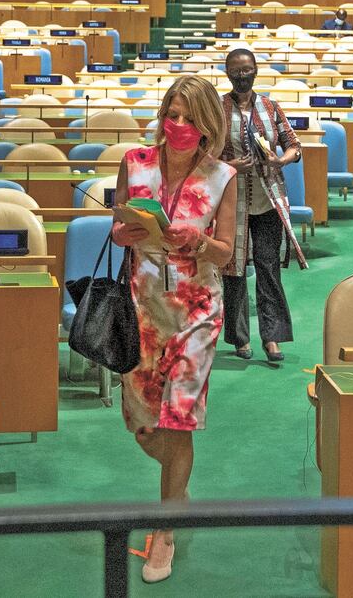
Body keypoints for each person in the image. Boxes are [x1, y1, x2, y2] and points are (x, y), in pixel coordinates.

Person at [111, 75, 236, 584]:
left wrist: (198, 240)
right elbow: (117, 227)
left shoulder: (221, 175)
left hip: (196, 312)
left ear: (207, 125)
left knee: (178, 420)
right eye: (173, 114)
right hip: (142, 309)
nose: (178, 126)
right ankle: (178, 493)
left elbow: (227, 253)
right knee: (144, 424)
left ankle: (165, 532)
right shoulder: (134, 161)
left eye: (189, 118)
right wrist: (131, 229)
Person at [221, 48, 308, 363]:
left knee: (268, 268)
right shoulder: (218, 109)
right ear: (227, 72)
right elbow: (205, 155)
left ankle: (272, 338)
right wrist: (231, 166)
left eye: (247, 70)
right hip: (232, 203)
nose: (241, 75)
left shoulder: (271, 107)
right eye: (235, 70)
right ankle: (239, 339)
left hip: (268, 201)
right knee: (234, 271)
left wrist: (279, 160)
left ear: (255, 70)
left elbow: (294, 147)